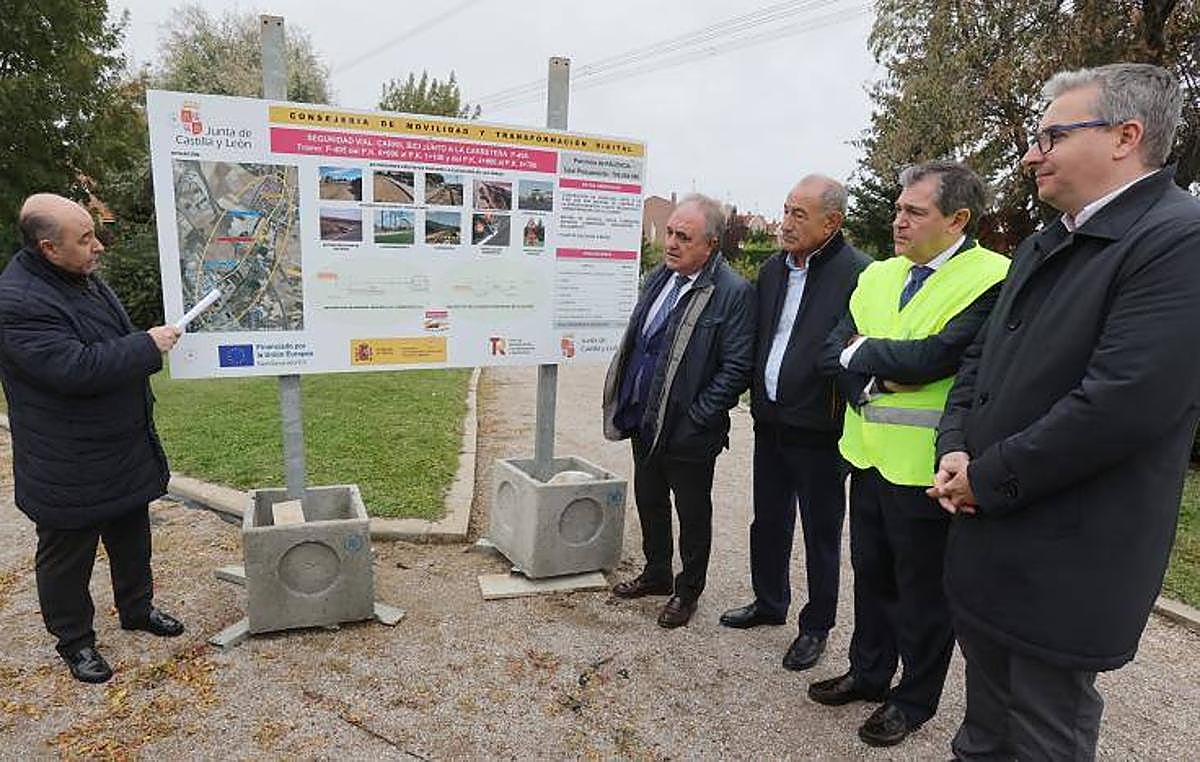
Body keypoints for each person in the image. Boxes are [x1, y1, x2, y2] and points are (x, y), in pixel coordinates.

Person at [929, 63, 1200, 760]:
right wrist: (955, 447)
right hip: (991, 537)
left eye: (1051, 135)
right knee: (983, 732)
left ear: (1125, 137)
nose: (1029, 153)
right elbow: (979, 364)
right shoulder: (1045, 241)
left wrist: (987, 479)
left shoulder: (1178, 242)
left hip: (1069, 559)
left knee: (1044, 733)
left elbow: (1122, 403)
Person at [813, 162, 1008, 746]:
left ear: (957, 220)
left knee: (922, 593)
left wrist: (862, 352)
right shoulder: (878, 275)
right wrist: (869, 374)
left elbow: (936, 357)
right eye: (899, 208)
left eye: (914, 212)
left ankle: (913, 698)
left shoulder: (991, 276)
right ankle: (869, 672)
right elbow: (832, 350)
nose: (898, 219)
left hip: (928, 467)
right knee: (871, 574)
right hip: (868, 456)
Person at [0, 194, 185, 684]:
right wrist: (146, 345)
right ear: (47, 248)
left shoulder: (79, 278)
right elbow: (73, 368)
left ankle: (137, 609)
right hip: (66, 460)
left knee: (132, 535)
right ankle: (75, 642)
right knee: (67, 555)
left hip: (118, 445)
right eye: (85, 239)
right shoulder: (17, 302)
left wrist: (135, 346)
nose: (98, 246)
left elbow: (103, 343)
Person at [719, 176, 869, 674]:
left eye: (798, 215)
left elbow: (850, 351)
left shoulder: (858, 274)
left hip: (822, 430)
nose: (785, 223)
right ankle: (769, 602)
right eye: (784, 211)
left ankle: (816, 626)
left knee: (821, 533)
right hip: (771, 420)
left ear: (833, 222)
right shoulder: (772, 271)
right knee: (768, 519)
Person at [602, 193, 754, 628]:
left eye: (682, 237)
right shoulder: (660, 276)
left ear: (710, 245)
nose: (671, 242)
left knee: (691, 510)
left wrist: (698, 416)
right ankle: (656, 572)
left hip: (689, 429)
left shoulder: (732, 293)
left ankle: (688, 591)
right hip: (643, 418)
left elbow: (737, 367)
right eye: (669, 232)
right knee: (649, 499)